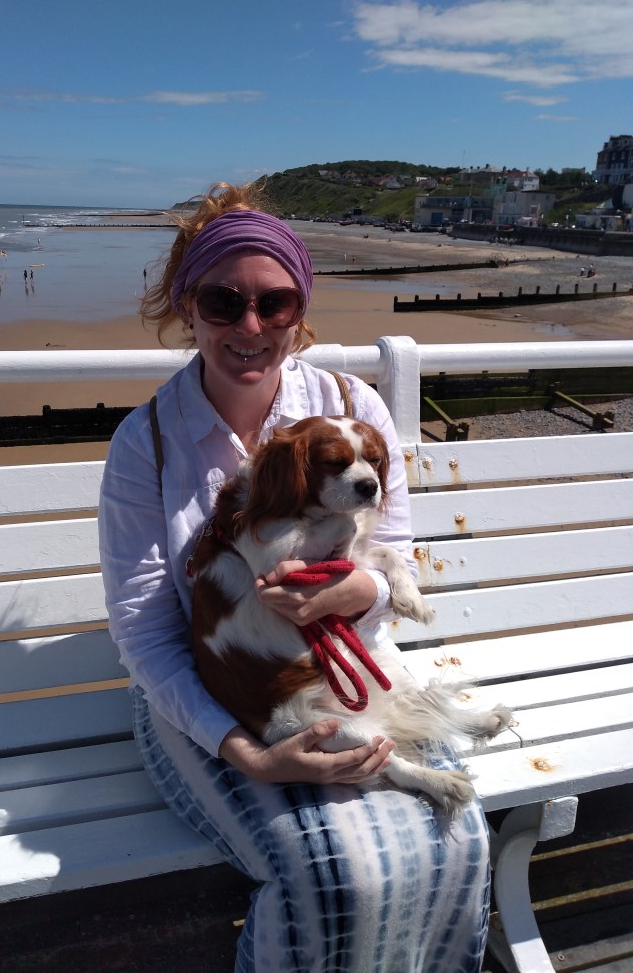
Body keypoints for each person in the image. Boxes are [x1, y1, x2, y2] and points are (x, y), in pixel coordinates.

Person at [99, 183, 490, 973]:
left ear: (299, 312)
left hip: (353, 677)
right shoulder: (148, 445)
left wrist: (366, 591)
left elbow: (399, 553)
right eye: (223, 301)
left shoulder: (353, 407)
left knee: (457, 840)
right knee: (333, 872)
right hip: (210, 702)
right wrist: (247, 753)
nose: (250, 327)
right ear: (188, 307)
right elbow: (145, 633)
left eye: (274, 304)